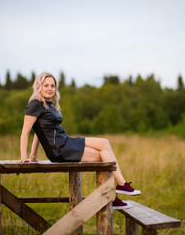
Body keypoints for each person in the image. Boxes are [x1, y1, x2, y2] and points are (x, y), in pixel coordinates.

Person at [18, 72, 141, 209]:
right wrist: (25, 157)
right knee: (103, 154)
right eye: (46, 85)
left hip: (66, 142)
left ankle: (116, 192)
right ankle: (118, 190)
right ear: (38, 86)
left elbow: (38, 133)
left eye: (53, 85)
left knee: (104, 144)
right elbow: (26, 132)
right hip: (60, 149)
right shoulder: (35, 104)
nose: (50, 88)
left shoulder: (48, 104)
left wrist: (33, 156)